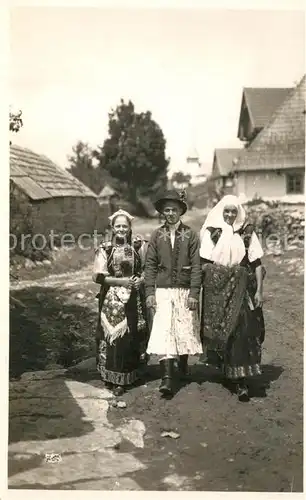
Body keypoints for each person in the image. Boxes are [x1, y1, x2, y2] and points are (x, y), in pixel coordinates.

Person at [199, 195, 266, 402]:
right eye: (226, 211)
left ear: (239, 213)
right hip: (218, 291)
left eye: (233, 211)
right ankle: (228, 370)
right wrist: (221, 275)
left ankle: (242, 380)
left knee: (243, 330)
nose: (229, 215)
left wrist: (259, 291)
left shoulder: (247, 233)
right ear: (220, 211)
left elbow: (257, 264)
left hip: (243, 289)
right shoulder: (212, 232)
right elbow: (203, 264)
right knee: (223, 332)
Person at [145, 190, 203, 396]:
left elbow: (197, 266)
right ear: (162, 213)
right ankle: (167, 377)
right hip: (162, 290)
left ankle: (183, 364)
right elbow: (150, 266)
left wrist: (194, 293)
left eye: (174, 210)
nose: (170, 213)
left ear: (181, 211)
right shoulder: (156, 235)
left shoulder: (191, 235)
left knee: (183, 326)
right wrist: (149, 292)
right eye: (166, 210)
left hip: (184, 289)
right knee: (165, 329)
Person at [93, 209, 149, 396]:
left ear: (130, 227)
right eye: (118, 226)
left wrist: (141, 280)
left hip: (134, 297)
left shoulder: (138, 245)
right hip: (112, 299)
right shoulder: (105, 248)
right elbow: (98, 276)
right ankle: (111, 377)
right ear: (112, 227)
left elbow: (148, 268)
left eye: (125, 226)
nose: (121, 229)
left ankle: (130, 376)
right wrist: (121, 282)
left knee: (132, 335)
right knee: (114, 336)